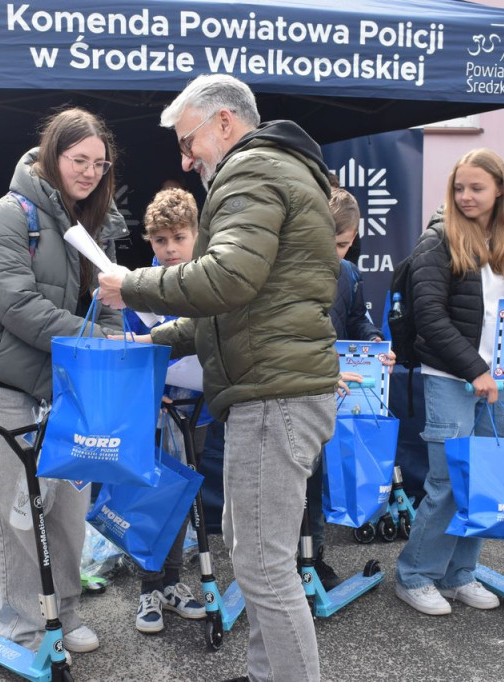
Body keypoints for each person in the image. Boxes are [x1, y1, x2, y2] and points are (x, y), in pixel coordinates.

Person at [98, 74, 341, 682]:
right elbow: (240, 306)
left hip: (272, 394)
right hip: (277, 387)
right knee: (253, 547)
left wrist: (129, 284)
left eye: (189, 141)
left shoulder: (250, 172)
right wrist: (154, 337)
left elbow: (226, 280)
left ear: (224, 123)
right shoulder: (282, 170)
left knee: (261, 564)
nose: (186, 158)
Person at [0, 107, 128, 656]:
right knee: (15, 518)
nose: (90, 172)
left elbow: (110, 303)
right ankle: (27, 629)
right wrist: (94, 344)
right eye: (79, 160)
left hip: (63, 387)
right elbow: (16, 305)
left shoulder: (92, 223)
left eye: (100, 164)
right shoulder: (11, 213)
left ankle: (66, 613)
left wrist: (111, 340)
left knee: (67, 515)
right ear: (54, 156)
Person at [393, 148, 504, 616]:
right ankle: (414, 576)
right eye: (459, 188)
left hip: (497, 379)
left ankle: (459, 575)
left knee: (482, 484)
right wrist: (476, 370)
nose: (466, 196)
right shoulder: (438, 240)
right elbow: (429, 316)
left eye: (476, 188)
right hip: (452, 378)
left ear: (499, 191)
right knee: (448, 482)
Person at [121, 187, 208, 635]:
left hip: (199, 410)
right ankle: (149, 589)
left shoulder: (211, 277)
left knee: (182, 495)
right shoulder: (141, 286)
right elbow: (130, 349)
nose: (170, 248)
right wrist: (153, 391)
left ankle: (173, 582)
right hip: (157, 411)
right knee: (151, 495)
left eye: (178, 237)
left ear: (197, 233)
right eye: (160, 240)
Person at [305, 186, 392, 589]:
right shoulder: (295, 271)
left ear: (354, 238)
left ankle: (315, 556)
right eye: (327, 242)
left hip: (340, 393)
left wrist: (374, 341)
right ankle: (293, 558)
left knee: (322, 477)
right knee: (300, 479)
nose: (332, 252)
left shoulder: (349, 274)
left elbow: (358, 319)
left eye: (340, 245)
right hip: (301, 387)